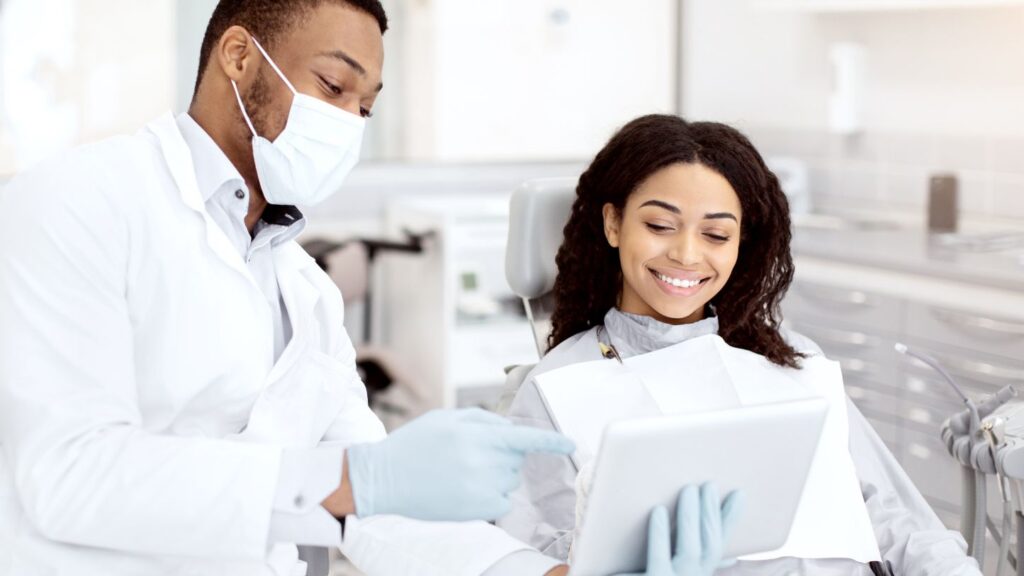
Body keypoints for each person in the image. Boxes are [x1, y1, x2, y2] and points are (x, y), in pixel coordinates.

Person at [0, 2, 577, 575]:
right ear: (239, 56)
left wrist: (540, 572)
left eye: (366, 109)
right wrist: (352, 480)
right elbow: (68, 474)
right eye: (333, 86)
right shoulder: (75, 201)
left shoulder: (307, 292)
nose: (349, 124)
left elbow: (380, 508)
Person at [497, 114, 983, 576]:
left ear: (739, 245)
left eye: (716, 234)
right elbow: (539, 559)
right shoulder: (556, 387)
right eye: (660, 226)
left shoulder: (791, 358)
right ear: (613, 224)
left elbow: (897, 521)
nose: (687, 254)